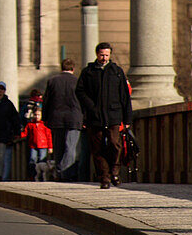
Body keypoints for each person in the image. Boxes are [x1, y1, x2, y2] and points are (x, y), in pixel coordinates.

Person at [75, 42, 133, 189]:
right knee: (97, 148)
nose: (104, 58)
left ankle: (115, 170)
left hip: (113, 114)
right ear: (97, 54)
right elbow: (80, 92)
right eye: (102, 55)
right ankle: (104, 177)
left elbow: (124, 96)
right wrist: (90, 107)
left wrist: (127, 119)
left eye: (107, 55)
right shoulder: (88, 72)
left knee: (115, 144)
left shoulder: (116, 71)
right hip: (95, 116)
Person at [42, 58, 83, 181]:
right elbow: (83, 101)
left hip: (56, 118)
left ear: (61, 68)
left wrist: (45, 118)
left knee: (58, 148)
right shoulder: (78, 82)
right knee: (70, 147)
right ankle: (65, 173)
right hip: (74, 118)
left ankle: (59, 173)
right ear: (73, 69)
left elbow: (46, 101)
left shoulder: (52, 81)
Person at [21, 107, 53, 180]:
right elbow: (25, 133)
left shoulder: (44, 124)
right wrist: (18, 135)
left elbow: (49, 136)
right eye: (35, 115)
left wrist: (50, 147)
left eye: (38, 115)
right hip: (33, 145)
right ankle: (33, 175)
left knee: (42, 161)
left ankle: (42, 176)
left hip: (43, 145)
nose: (37, 116)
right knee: (32, 160)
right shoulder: (30, 124)